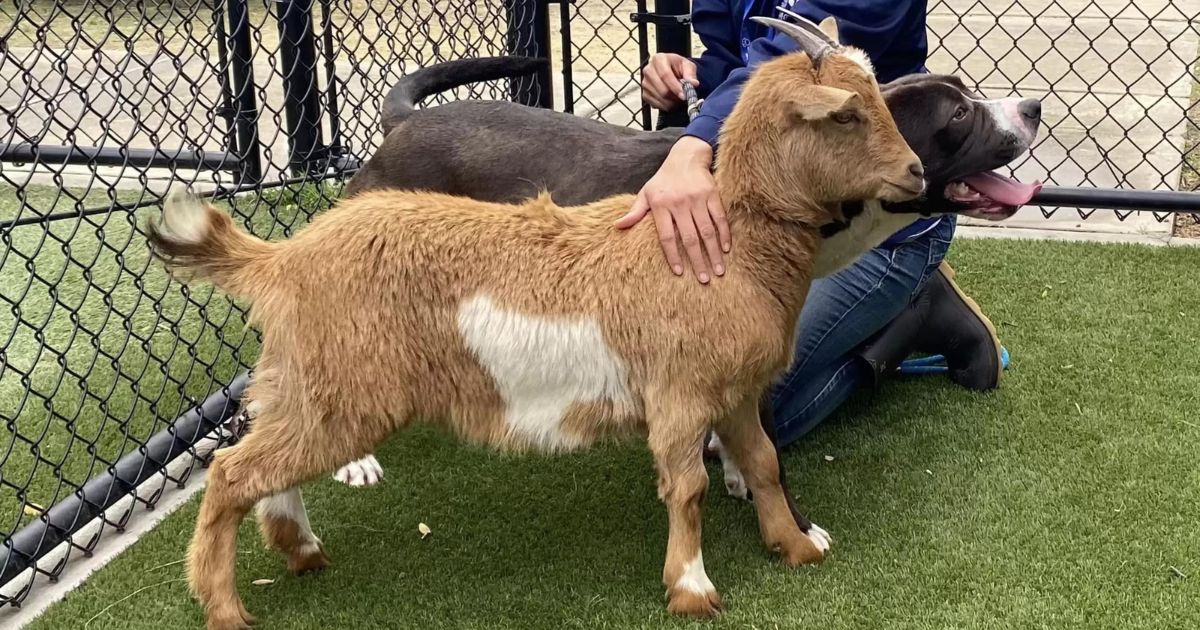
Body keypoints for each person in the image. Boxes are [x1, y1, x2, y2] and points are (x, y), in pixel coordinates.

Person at [620, 0, 1003, 447]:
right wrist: (689, 75)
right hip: (787, 217)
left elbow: (786, 70)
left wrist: (691, 148)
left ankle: (915, 313)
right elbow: (731, 57)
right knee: (695, 397)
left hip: (883, 226)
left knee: (731, 427)